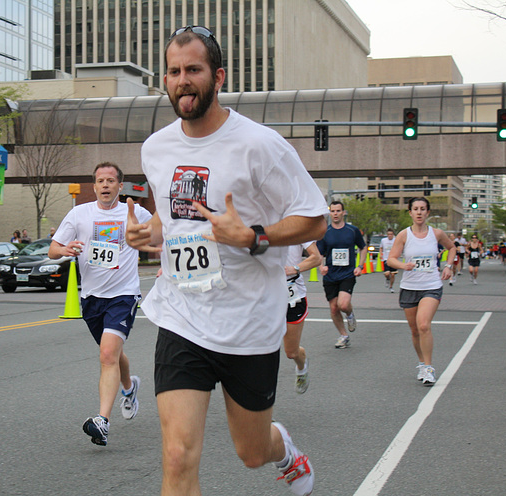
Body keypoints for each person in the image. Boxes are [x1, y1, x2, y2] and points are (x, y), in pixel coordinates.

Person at [125, 26, 327, 496]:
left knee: (251, 452)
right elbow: (171, 218)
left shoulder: (260, 145)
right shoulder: (156, 148)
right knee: (177, 456)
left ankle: (286, 454)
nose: (182, 81)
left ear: (218, 76)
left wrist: (254, 236)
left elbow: (314, 218)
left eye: (193, 70)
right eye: (173, 72)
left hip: (248, 323)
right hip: (182, 316)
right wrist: (147, 232)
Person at [49, 162, 152, 447]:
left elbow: (162, 236)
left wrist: (163, 264)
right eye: (100, 181)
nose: (105, 185)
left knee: (107, 354)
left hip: (124, 295)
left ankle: (102, 421)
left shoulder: (136, 212)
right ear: (94, 186)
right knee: (113, 354)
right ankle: (129, 388)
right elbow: (52, 249)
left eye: (110, 180)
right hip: (92, 298)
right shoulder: (79, 214)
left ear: (120, 186)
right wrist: (64, 250)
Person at [386, 197, 455, 386]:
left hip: (431, 286)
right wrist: (403, 265)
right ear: (410, 212)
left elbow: (452, 248)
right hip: (409, 287)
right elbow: (391, 259)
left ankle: (429, 368)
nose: (419, 212)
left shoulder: (437, 233)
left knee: (424, 325)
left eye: (422, 209)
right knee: (415, 330)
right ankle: (422, 363)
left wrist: (448, 266)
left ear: (428, 213)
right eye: (415, 209)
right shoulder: (403, 235)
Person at [316, 200, 367, 349]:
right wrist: (321, 266)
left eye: (338, 211)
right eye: (333, 211)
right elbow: (319, 253)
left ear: (343, 212)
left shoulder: (352, 230)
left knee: (343, 304)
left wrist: (360, 266)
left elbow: (363, 248)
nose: (335, 214)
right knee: (333, 308)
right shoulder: (325, 232)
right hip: (331, 275)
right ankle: (344, 335)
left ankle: (350, 315)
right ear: (330, 213)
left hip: (347, 273)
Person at [284, 241, 323, 394]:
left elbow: (316, 258)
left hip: (292, 295)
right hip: (267, 295)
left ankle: (302, 366)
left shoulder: (296, 224)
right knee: (262, 352)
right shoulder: (261, 222)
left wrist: (295, 268)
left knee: (291, 352)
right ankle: (263, 411)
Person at [379, 228, 397, 293]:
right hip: (386, 258)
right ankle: (387, 279)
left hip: (393, 259)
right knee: (387, 273)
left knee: (392, 274)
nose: (390, 235)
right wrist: (381, 254)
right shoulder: (383, 240)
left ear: (393, 234)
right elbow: (381, 248)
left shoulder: (396, 240)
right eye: (388, 234)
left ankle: (391, 287)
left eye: (391, 234)